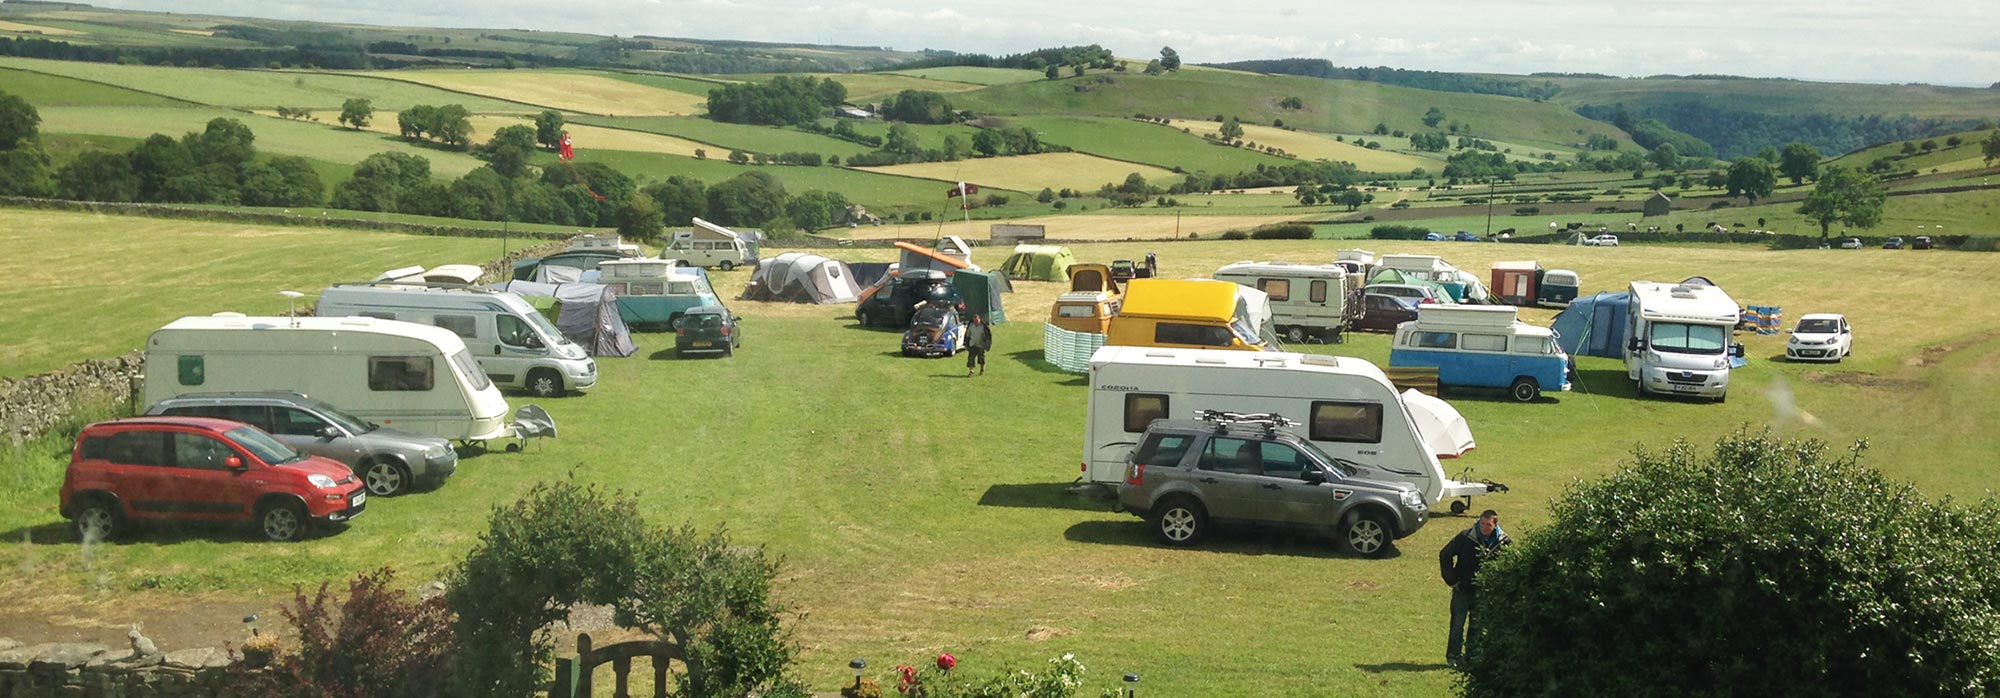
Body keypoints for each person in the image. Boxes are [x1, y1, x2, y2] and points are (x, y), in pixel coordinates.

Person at [1439, 509, 1511, 668]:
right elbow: (1445, 554)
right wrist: (1452, 580)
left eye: (1488, 525)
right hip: (1462, 589)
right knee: (1457, 624)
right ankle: (1453, 657)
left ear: (1495, 525)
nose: (1484, 527)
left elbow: (1510, 563)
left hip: (1484, 591)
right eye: (1482, 523)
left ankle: (1472, 656)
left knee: (1477, 625)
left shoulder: (1503, 542)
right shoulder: (1465, 537)